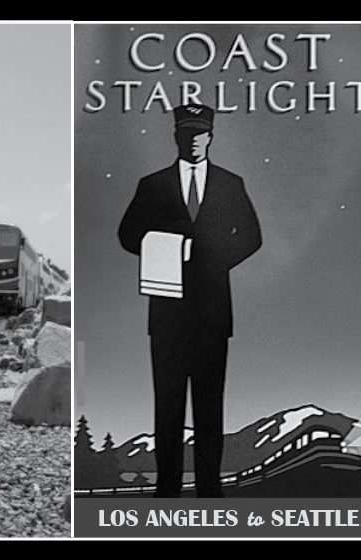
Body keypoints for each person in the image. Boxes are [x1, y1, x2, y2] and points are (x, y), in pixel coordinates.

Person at [117, 104, 262, 498]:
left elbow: (251, 236)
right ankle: (166, 493)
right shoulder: (153, 185)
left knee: (209, 409)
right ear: (176, 136)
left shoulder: (232, 184)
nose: (194, 140)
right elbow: (128, 234)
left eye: (200, 134)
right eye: (187, 134)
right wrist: (168, 249)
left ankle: (210, 493)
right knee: (167, 409)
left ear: (211, 136)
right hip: (166, 315)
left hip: (213, 316)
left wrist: (210, 258)